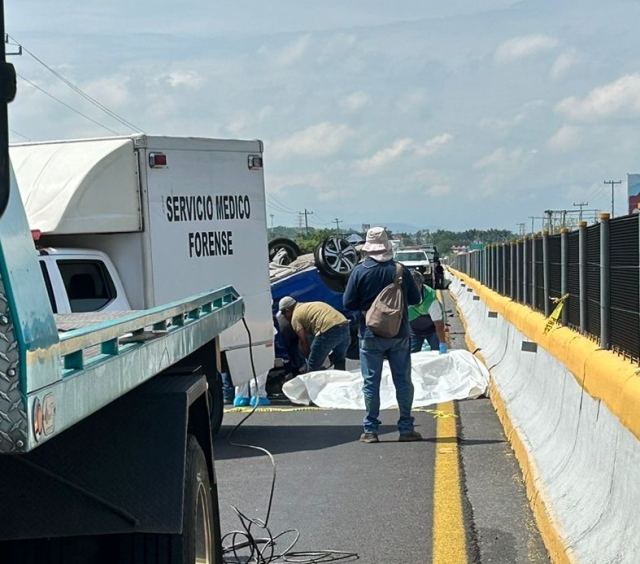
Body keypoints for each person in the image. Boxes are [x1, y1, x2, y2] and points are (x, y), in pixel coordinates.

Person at [343, 227, 422, 443]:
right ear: (387, 246)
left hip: (369, 334)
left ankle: (371, 430)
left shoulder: (359, 271)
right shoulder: (400, 270)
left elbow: (347, 303)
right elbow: (415, 299)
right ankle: (406, 428)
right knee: (403, 380)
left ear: (367, 249)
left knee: (371, 382)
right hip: (399, 333)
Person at [278, 297, 351, 372]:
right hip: (344, 325)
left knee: (313, 367)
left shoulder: (295, 317)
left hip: (328, 330)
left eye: (284, 314)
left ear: (287, 310)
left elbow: (303, 341)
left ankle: (317, 383)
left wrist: (309, 359)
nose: (285, 317)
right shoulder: (309, 306)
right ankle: (340, 381)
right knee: (340, 361)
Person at [408, 270, 448, 354]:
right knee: (410, 357)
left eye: (414, 287)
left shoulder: (430, 299)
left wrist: (442, 343)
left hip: (432, 330)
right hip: (413, 331)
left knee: (437, 354)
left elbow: (438, 323)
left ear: (420, 285)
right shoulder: (400, 295)